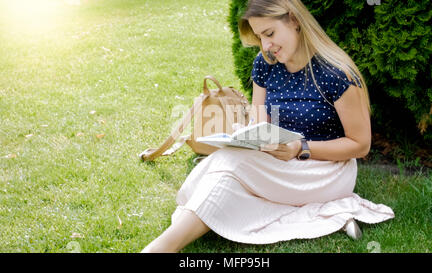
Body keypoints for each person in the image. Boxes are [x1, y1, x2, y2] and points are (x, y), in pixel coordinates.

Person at [141, 0, 394, 253]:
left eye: (270, 34)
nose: (266, 45)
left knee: (228, 165)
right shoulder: (265, 65)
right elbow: (260, 120)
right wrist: (248, 135)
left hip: (327, 171)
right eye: (260, 37)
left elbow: (360, 145)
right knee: (228, 170)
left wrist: (300, 148)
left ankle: (162, 248)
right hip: (280, 163)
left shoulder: (337, 74)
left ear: (294, 20)